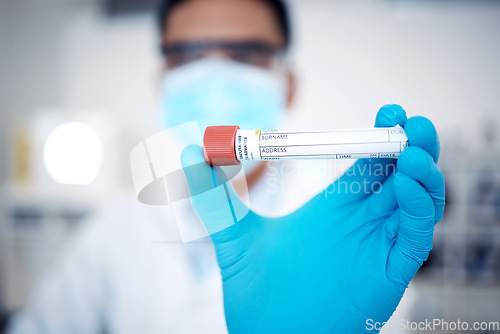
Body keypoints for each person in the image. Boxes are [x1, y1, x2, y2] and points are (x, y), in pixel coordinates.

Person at [7, 0, 444, 333]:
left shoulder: (355, 234)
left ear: (288, 85)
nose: (213, 75)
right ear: (161, 84)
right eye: (187, 56)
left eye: (246, 54)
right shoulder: (110, 234)